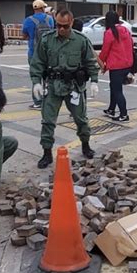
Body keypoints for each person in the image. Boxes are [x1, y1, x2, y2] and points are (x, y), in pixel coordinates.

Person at [30, 9, 99, 169]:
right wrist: (36, 82)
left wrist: (94, 81)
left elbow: (90, 61)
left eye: (65, 26)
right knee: (47, 121)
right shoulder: (47, 40)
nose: (61, 29)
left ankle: (85, 145)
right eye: (58, 26)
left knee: (81, 119)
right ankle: (47, 153)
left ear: (72, 23)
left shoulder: (81, 40)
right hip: (53, 87)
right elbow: (38, 62)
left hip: (74, 87)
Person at [99, 11, 134, 122]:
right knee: (114, 87)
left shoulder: (109, 32)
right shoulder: (125, 30)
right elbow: (131, 45)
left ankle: (124, 114)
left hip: (116, 66)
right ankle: (111, 109)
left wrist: (101, 63)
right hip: (127, 64)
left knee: (117, 89)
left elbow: (105, 50)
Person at [22, 0, 55, 109]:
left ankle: (37, 102)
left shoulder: (28, 20)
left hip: (33, 53)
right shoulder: (50, 19)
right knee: (48, 77)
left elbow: (24, 36)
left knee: (36, 77)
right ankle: (49, 100)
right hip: (47, 53)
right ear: (42, 8)